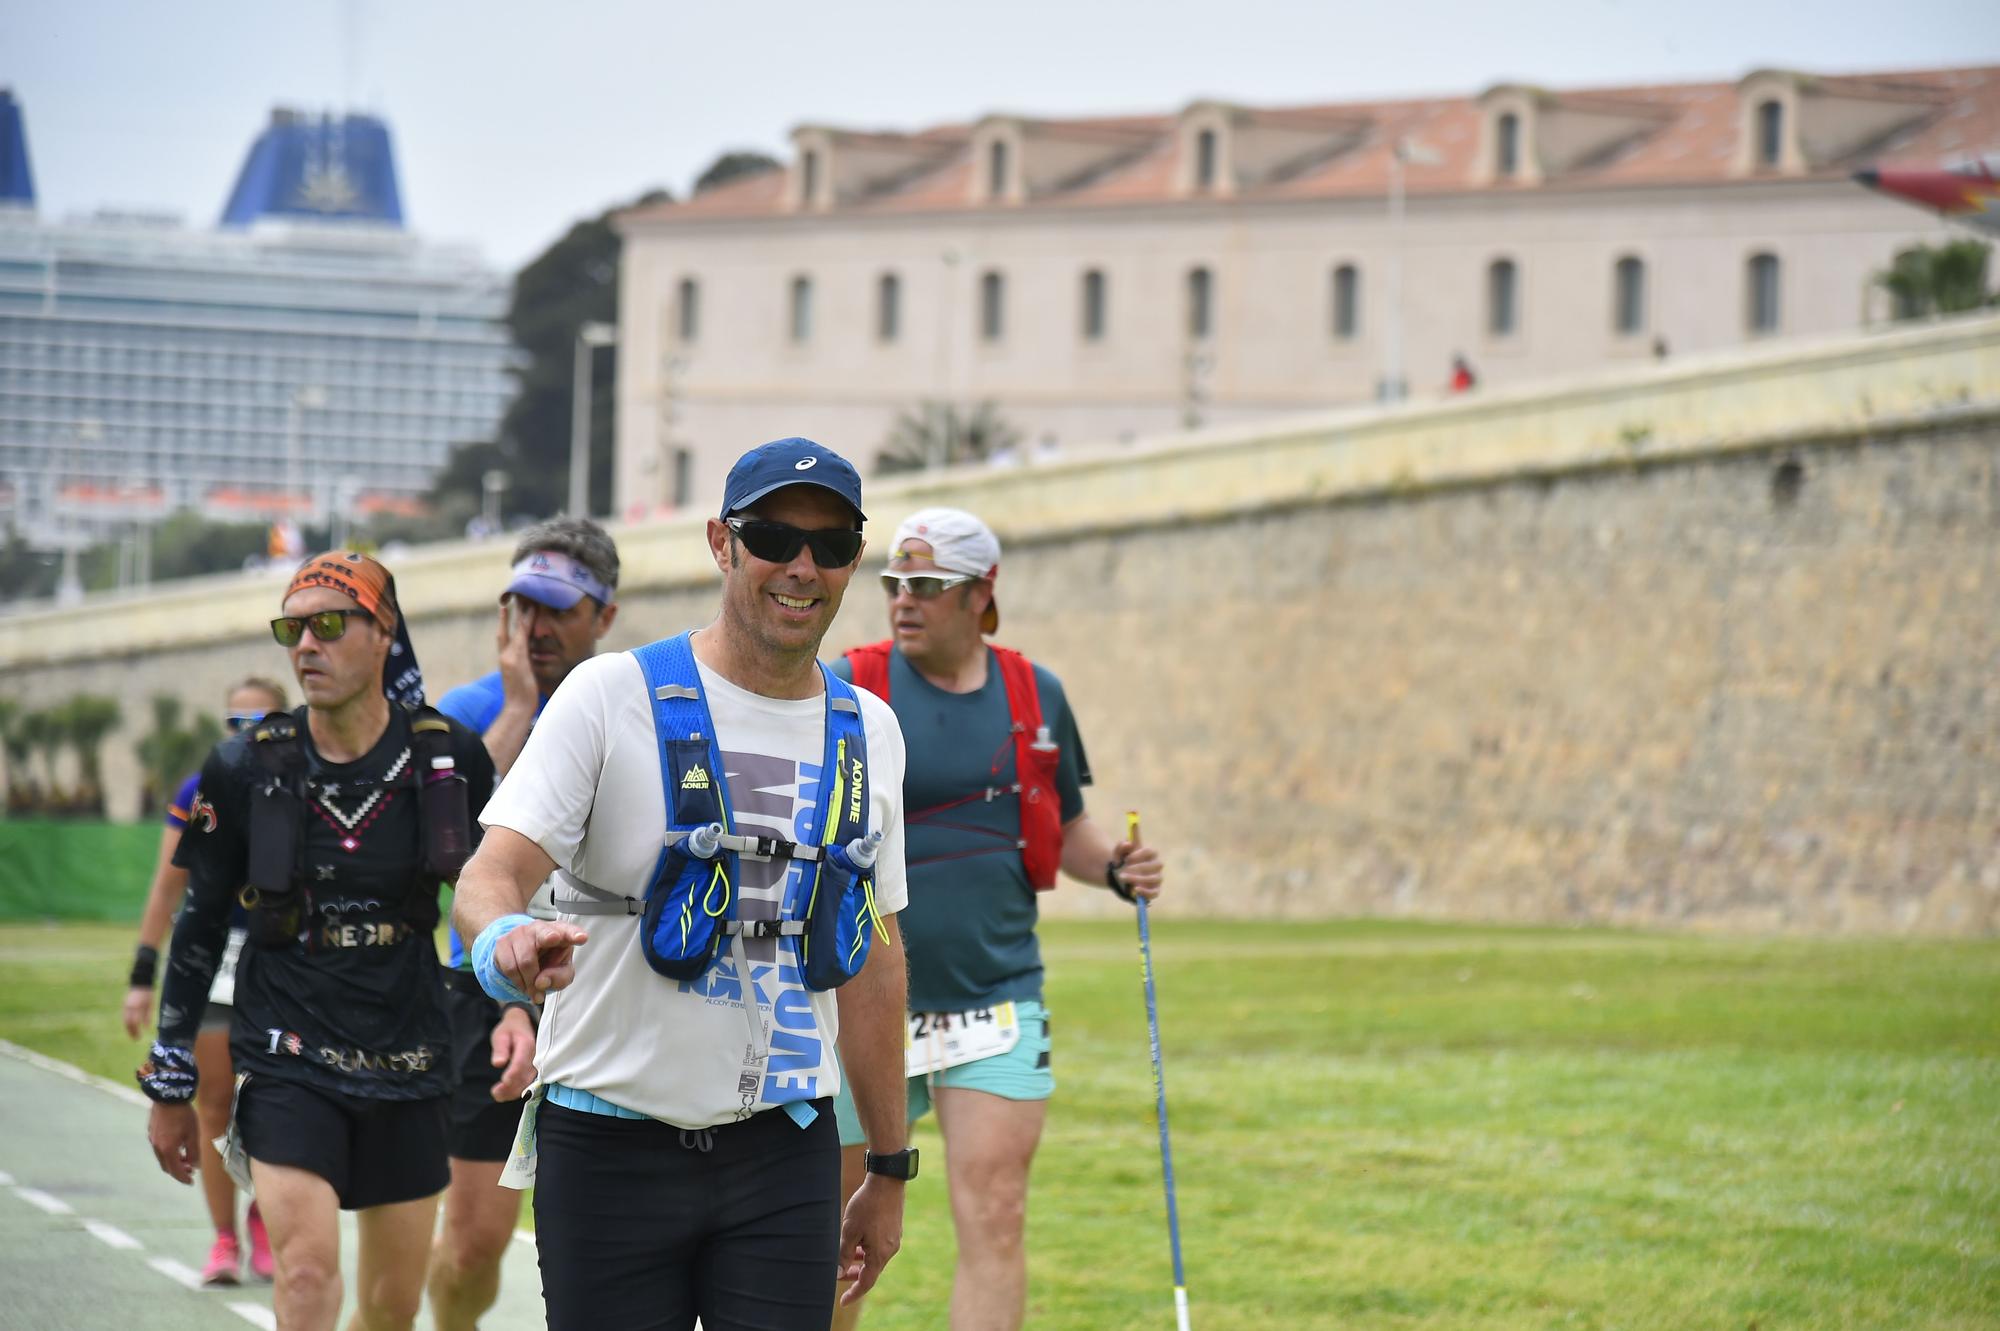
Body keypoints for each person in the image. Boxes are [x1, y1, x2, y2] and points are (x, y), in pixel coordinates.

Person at [452, 437, 914, 1331]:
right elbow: (491, 871)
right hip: (608, 1140)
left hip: (785, 1146)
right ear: (721, 542)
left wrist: (889, 1167)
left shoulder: (871, 731)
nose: (802, 566)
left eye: (832, 544)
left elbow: (876, 959)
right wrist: (500, 942)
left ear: (857, 559)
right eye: (775, 535)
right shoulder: (606, 695)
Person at [139, 551, 495, 1331]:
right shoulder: (243, 766)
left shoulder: (451, 759)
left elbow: (497, 894)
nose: (306, 645)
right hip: (287, 1053)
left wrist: (518, 1003)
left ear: (383, 629)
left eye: (330, 624)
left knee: (392, 1309)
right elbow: (198, 924)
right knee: (304, 1273)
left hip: (410, 1054)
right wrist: (171, 1080)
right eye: (292, 628)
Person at [829, 506, 1164, 1331]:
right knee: (832, 1235)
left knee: (997, 1215)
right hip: (856, 1003)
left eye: (929, 586)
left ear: (983, 594)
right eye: (895, 584)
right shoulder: (848, 682)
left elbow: (1065, 823)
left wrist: (1116, 870)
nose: (904, 601)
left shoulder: (1033, 691)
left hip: (996, 997)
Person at [427, 517, 620, 1330]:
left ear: (603, 615)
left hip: (602, 988)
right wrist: (514, 708)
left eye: (559, 609)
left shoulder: (631, 706)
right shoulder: (466, 713)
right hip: (483, 989)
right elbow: (446, 850)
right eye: (522, 607)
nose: (537, 628)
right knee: (474, 1247)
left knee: (613, 1248)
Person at [123, 675, 288, 1286]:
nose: (247, 736)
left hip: (278, 961)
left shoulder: (307, 781)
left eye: (261, 723)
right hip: (214, 961)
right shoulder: (201, 789)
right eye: (234, 725)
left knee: (277, 1103)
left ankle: (265, 1222)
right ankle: (224, 1237)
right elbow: (170, 887)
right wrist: (143, 974)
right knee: (215, 1102)